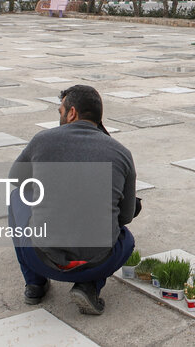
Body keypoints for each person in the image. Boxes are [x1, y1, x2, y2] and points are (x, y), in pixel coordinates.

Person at [8, 84, 137, 315]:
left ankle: (35, 285)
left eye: (61, 111)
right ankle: (89, 286)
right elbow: (126, 216)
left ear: (72, 113)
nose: (60, 117)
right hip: (99, 262)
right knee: (126, 239)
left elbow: (16, 179)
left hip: (40, 258)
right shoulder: (122, 153)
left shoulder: (42, 140)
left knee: (16, 196)